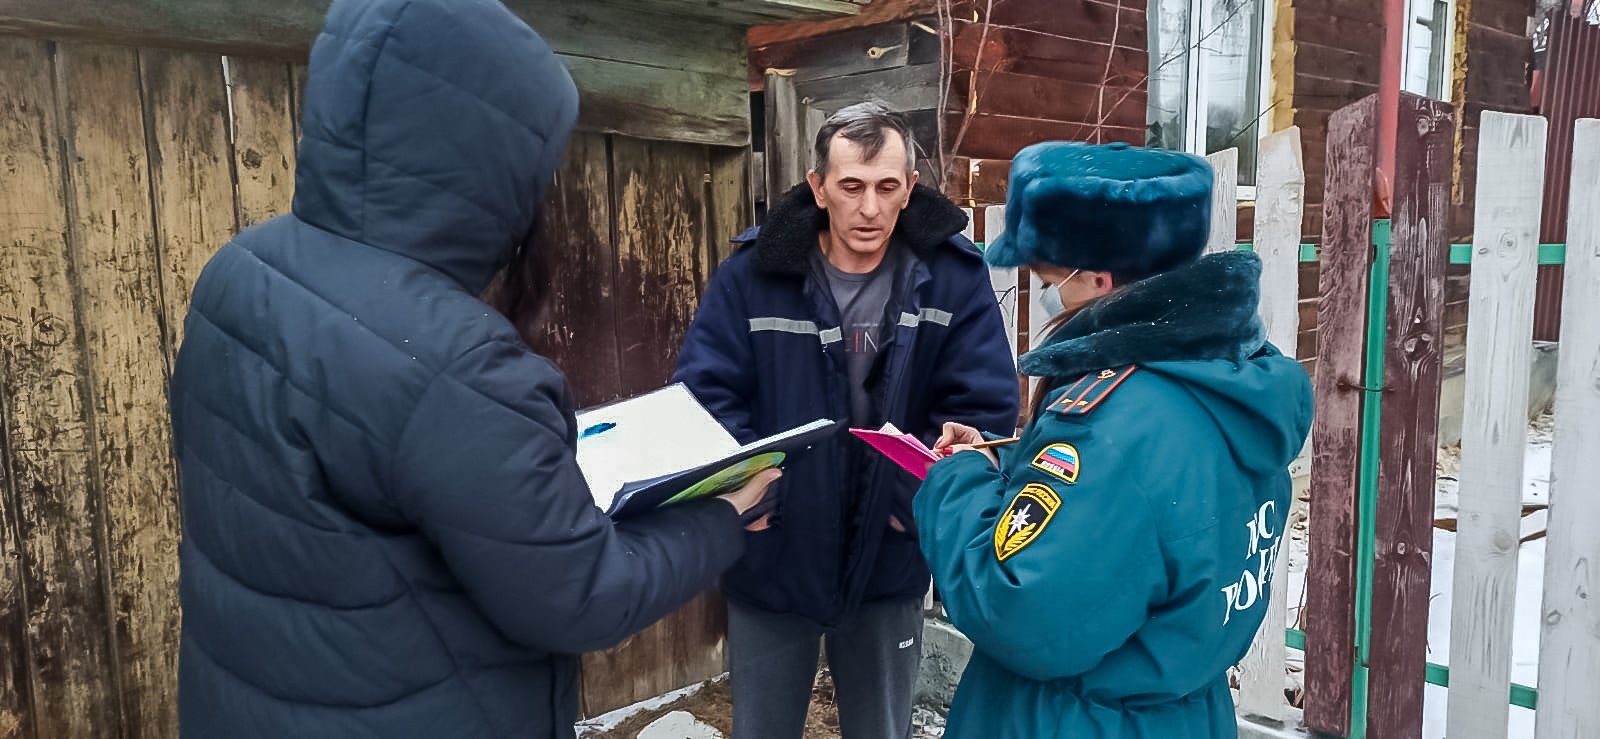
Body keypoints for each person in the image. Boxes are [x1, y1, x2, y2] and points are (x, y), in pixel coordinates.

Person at [167, 0, 778, 736]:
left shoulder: (237, 273)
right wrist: (727, 516)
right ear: (486, 160)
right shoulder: (453, 364)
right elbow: (581, 593)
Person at [916, 141, 1315, 738]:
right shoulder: (1230, 385)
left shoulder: (1111, 427)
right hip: (1183, 710)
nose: (1043, 296)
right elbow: (1143, 531)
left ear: (1098, 279)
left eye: (1048, 279)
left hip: (1075, 719)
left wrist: (954, 482)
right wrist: (1006, 460)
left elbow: (1021, 608)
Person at [673, 103, 1020, 738]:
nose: (869, 208)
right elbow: (705, 396)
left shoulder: (953, 279)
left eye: (888, 188)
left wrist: (921, 497)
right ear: (819, 186)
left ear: (911, 188)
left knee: (881, 729)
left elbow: (982, 406)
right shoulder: (753, 278)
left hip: (891, 548)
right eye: (851, 187)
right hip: (774, 549)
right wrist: (752, 491)